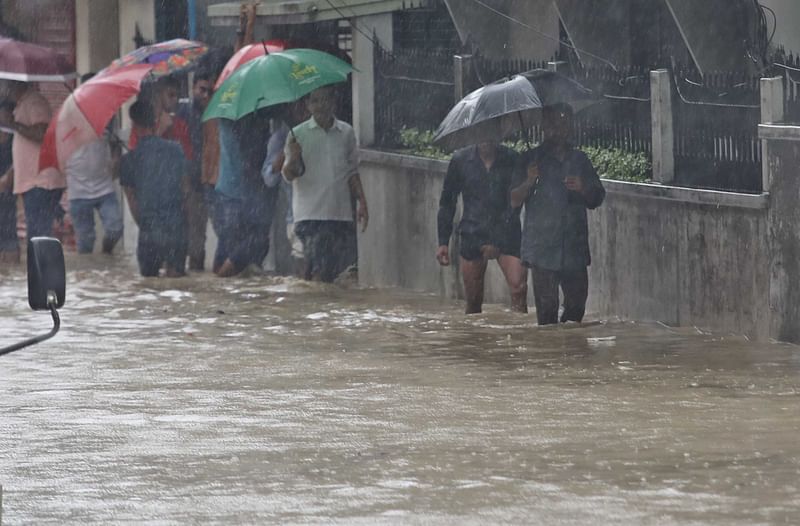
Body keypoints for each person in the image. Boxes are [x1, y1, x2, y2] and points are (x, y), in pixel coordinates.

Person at [510, 103, 605, 325]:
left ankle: (571, 355)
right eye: (553, 124)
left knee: (576, 306)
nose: (558, 129)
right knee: (547, 312)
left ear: (570, 127)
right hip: (542, 249)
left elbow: (597, 198)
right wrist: (529, 180)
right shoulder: (529, 160)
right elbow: (514, 200)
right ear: (544, 127)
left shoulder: (580, 160)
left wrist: (583, 187)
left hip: (574, 247)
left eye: (564, 124)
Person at [282, 86, 368, 283]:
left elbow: (352, 171)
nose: (321, 105)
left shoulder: (346, 133)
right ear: (308, 106)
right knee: (321, 270)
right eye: (315, 101)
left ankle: (315, 305)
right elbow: (288, 175)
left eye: (325, 100)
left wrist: (362, 201)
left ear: (333, 103)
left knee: (331, 273)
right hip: (310, 216)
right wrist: (294, 157)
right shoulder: (297, 135)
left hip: (339, 214)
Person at [437, 141, 528, 314]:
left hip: (507, 232)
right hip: (473, 232)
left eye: (491, 132)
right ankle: (474, 339)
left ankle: (519, 336)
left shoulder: (512, 159)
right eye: (481, 133)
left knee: (519, 289)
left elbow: (515, 205)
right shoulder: (460, 160)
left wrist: (497, 241)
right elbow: (447, 202)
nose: (486, 139)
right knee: (473, 300)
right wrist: (443, 242)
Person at [120, 101, 188, 278]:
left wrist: (147, 226)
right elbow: (185, 188)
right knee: (177, 284)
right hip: (176, 227)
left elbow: (133, 204)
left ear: (134, 124)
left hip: (149, 229)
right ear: (155, 121)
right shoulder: (175, 150)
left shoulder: (129, 160)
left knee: (149, 288)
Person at [64, 73, 123, 255]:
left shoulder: (109, 115)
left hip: (104, 185)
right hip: (78, 188)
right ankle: (88, 273)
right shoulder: (69, 113)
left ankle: (106, 255)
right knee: (86, 240)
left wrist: (115, 161)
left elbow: (115, 144)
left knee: (115, 228)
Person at [0, 81, 66, 239]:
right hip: (33, 182)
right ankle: (41, 263)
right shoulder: (21, 104)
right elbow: (26, 149)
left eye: (2, 84)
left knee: (39, 236)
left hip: (41, 182)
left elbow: (42, 134)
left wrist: (12, 124)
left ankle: (42, 264)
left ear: (12, 85)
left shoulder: (34, 102)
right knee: (38, 234)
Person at [261, 101, 310, 277]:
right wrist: (285, 153)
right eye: (298, 106)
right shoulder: (280, 138)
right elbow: (269, 178)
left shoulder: (315, 134)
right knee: (302, 266)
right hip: (295, 216)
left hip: (321, 211)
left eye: (304, 105)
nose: (302, 110)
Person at [176, 73, 212, 270]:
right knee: (184, 238)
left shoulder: (216, 112)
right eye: (202, 90)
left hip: (207, 183)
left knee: (198, 239)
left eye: (210, 91)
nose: (206, 95)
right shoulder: (182, 111)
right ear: (193, 89)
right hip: (182, 183)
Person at [0, 113, 17, 263]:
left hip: (7, 194)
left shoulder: (14, 140)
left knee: (8, 234)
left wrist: (8, 176)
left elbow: (18, 161)